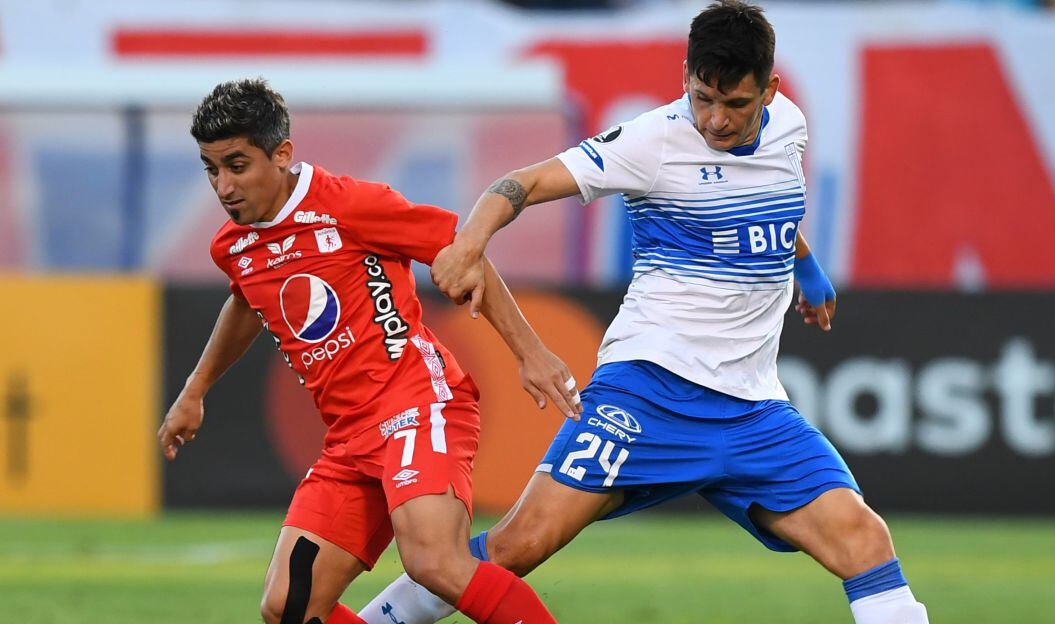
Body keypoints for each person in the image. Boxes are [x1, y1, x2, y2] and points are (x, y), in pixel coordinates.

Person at [355, 2, 930, 623]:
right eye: (703, 97)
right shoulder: (651, 141)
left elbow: (770, 209)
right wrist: (469, 245)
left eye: (735, 104)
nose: (715, 119)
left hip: (754, 409)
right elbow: (521, 184)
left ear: (770, 90)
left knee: (865, 541)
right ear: (686, 76)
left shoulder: (789, 127)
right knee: (519, 545)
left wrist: (808, 270)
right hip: (649, 391)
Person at [157, 78, 582, 624]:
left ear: (281, 154)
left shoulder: (351, 204)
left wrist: (531, 352)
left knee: (434, 562)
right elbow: (247, 299)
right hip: (348, 439)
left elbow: (462, 252)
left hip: (418, 406)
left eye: (237, 165)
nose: (223, 185)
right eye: (211, 169)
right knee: (287, 607)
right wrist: (194, 390)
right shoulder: (235, 245)